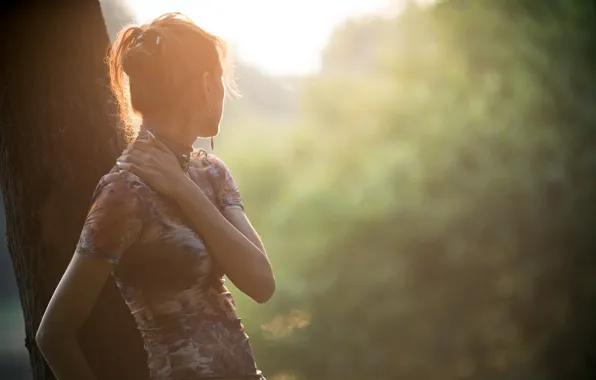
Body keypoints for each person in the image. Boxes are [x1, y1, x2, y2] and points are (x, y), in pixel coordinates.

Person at [35, 12, 275, 380]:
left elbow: (261, 282)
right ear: (208, 83)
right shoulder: (124, 192)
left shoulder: (210, 173)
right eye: (222, 80)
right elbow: (53, 334)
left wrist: (183, 190)